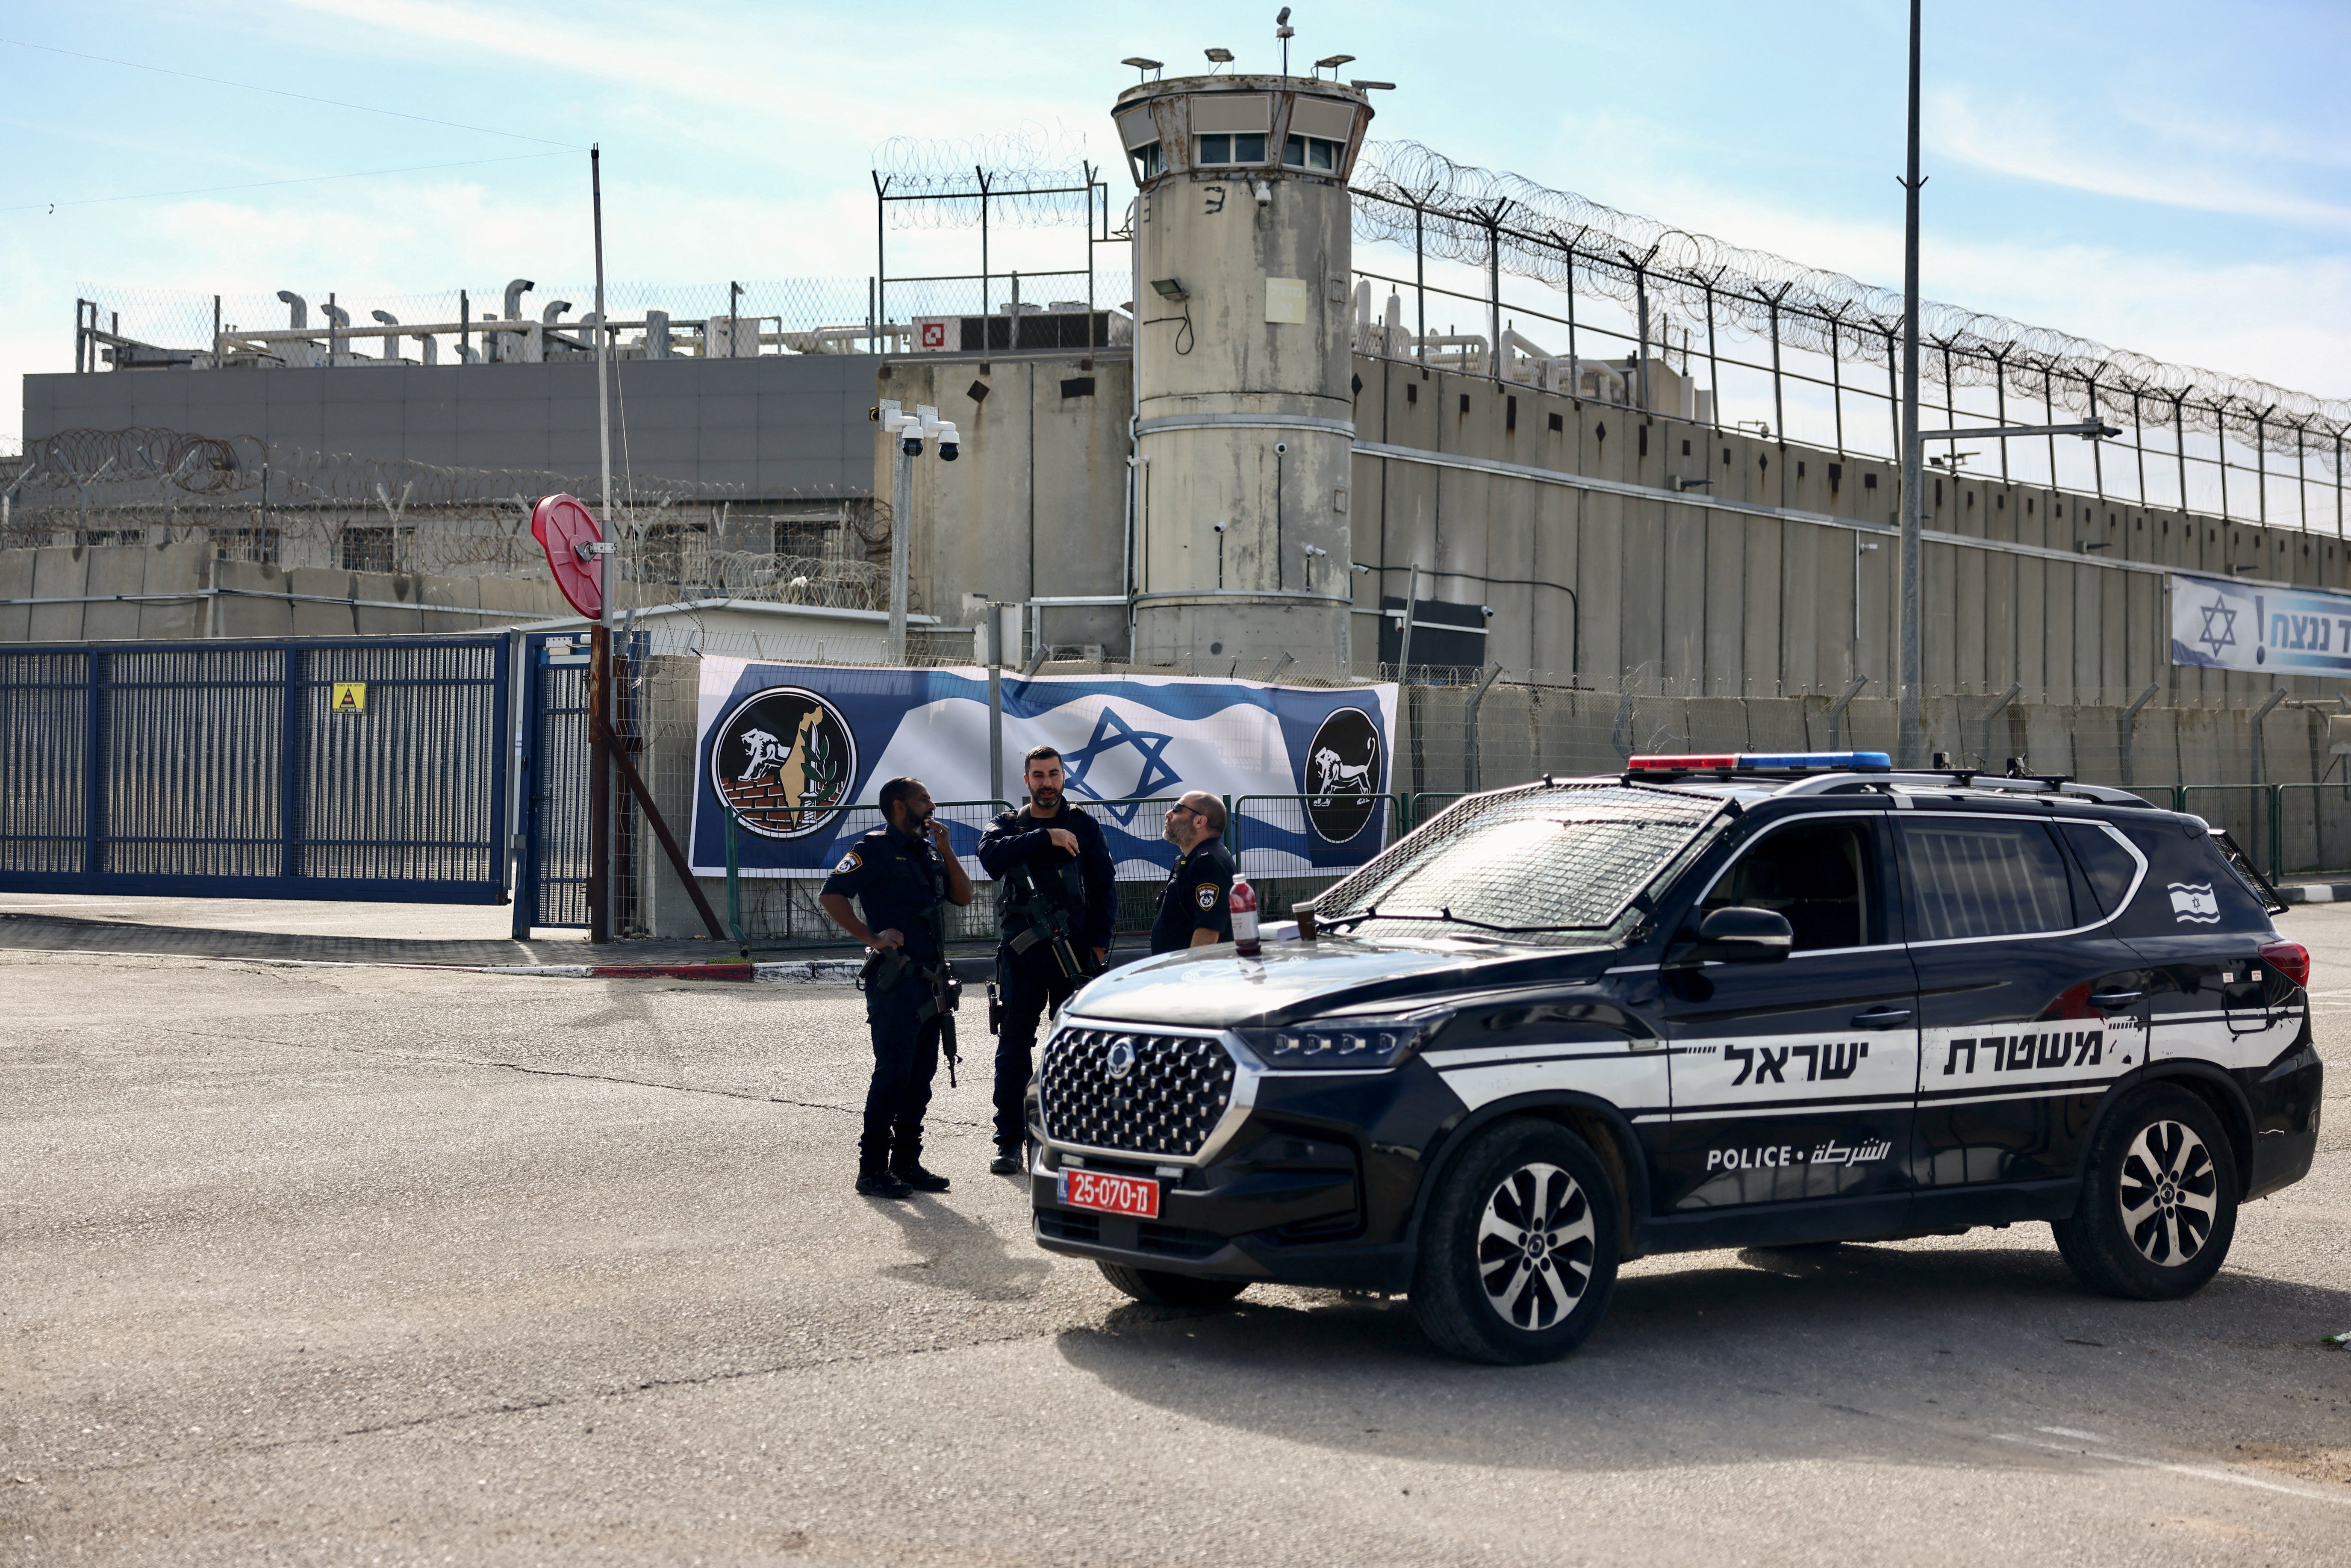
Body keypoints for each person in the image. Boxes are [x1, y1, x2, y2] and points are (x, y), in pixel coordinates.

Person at [819, 775, 974, 1200]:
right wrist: (871, 936)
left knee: (921, 1076)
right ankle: (872, 1171)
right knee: (893, 1075)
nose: (933, 803)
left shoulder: (928, 850)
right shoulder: (873, 848)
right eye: (925, 798)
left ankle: (905, 1161)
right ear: (900, 806)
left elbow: (964, 896)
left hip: (931, 981)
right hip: (895, 981)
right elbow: (832, 895)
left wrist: (946, 849)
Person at [977, 746, 1115, 1175]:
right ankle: (1009, 1141)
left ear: (1063, 777)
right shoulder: (1006, 825)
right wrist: (1046, 837)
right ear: (1027, 781)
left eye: (1053, 773)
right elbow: (990, 857)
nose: (1047, 782)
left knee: (1072, 1048)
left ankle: (1069, 1135)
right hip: (1022, 957)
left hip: (1073, 954)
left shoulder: (1084, 825)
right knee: (1014, 1048)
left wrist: (1097, 948)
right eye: (1038, 775)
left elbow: (1105, 888)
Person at [1149, 790, 1236, 955]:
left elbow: (1208, 932)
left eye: (1178, 809)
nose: (1169, 814)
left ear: (1200, 822)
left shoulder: (1209, 864)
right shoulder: (1197, 859)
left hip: (1191, 976)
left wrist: (1192, 976)